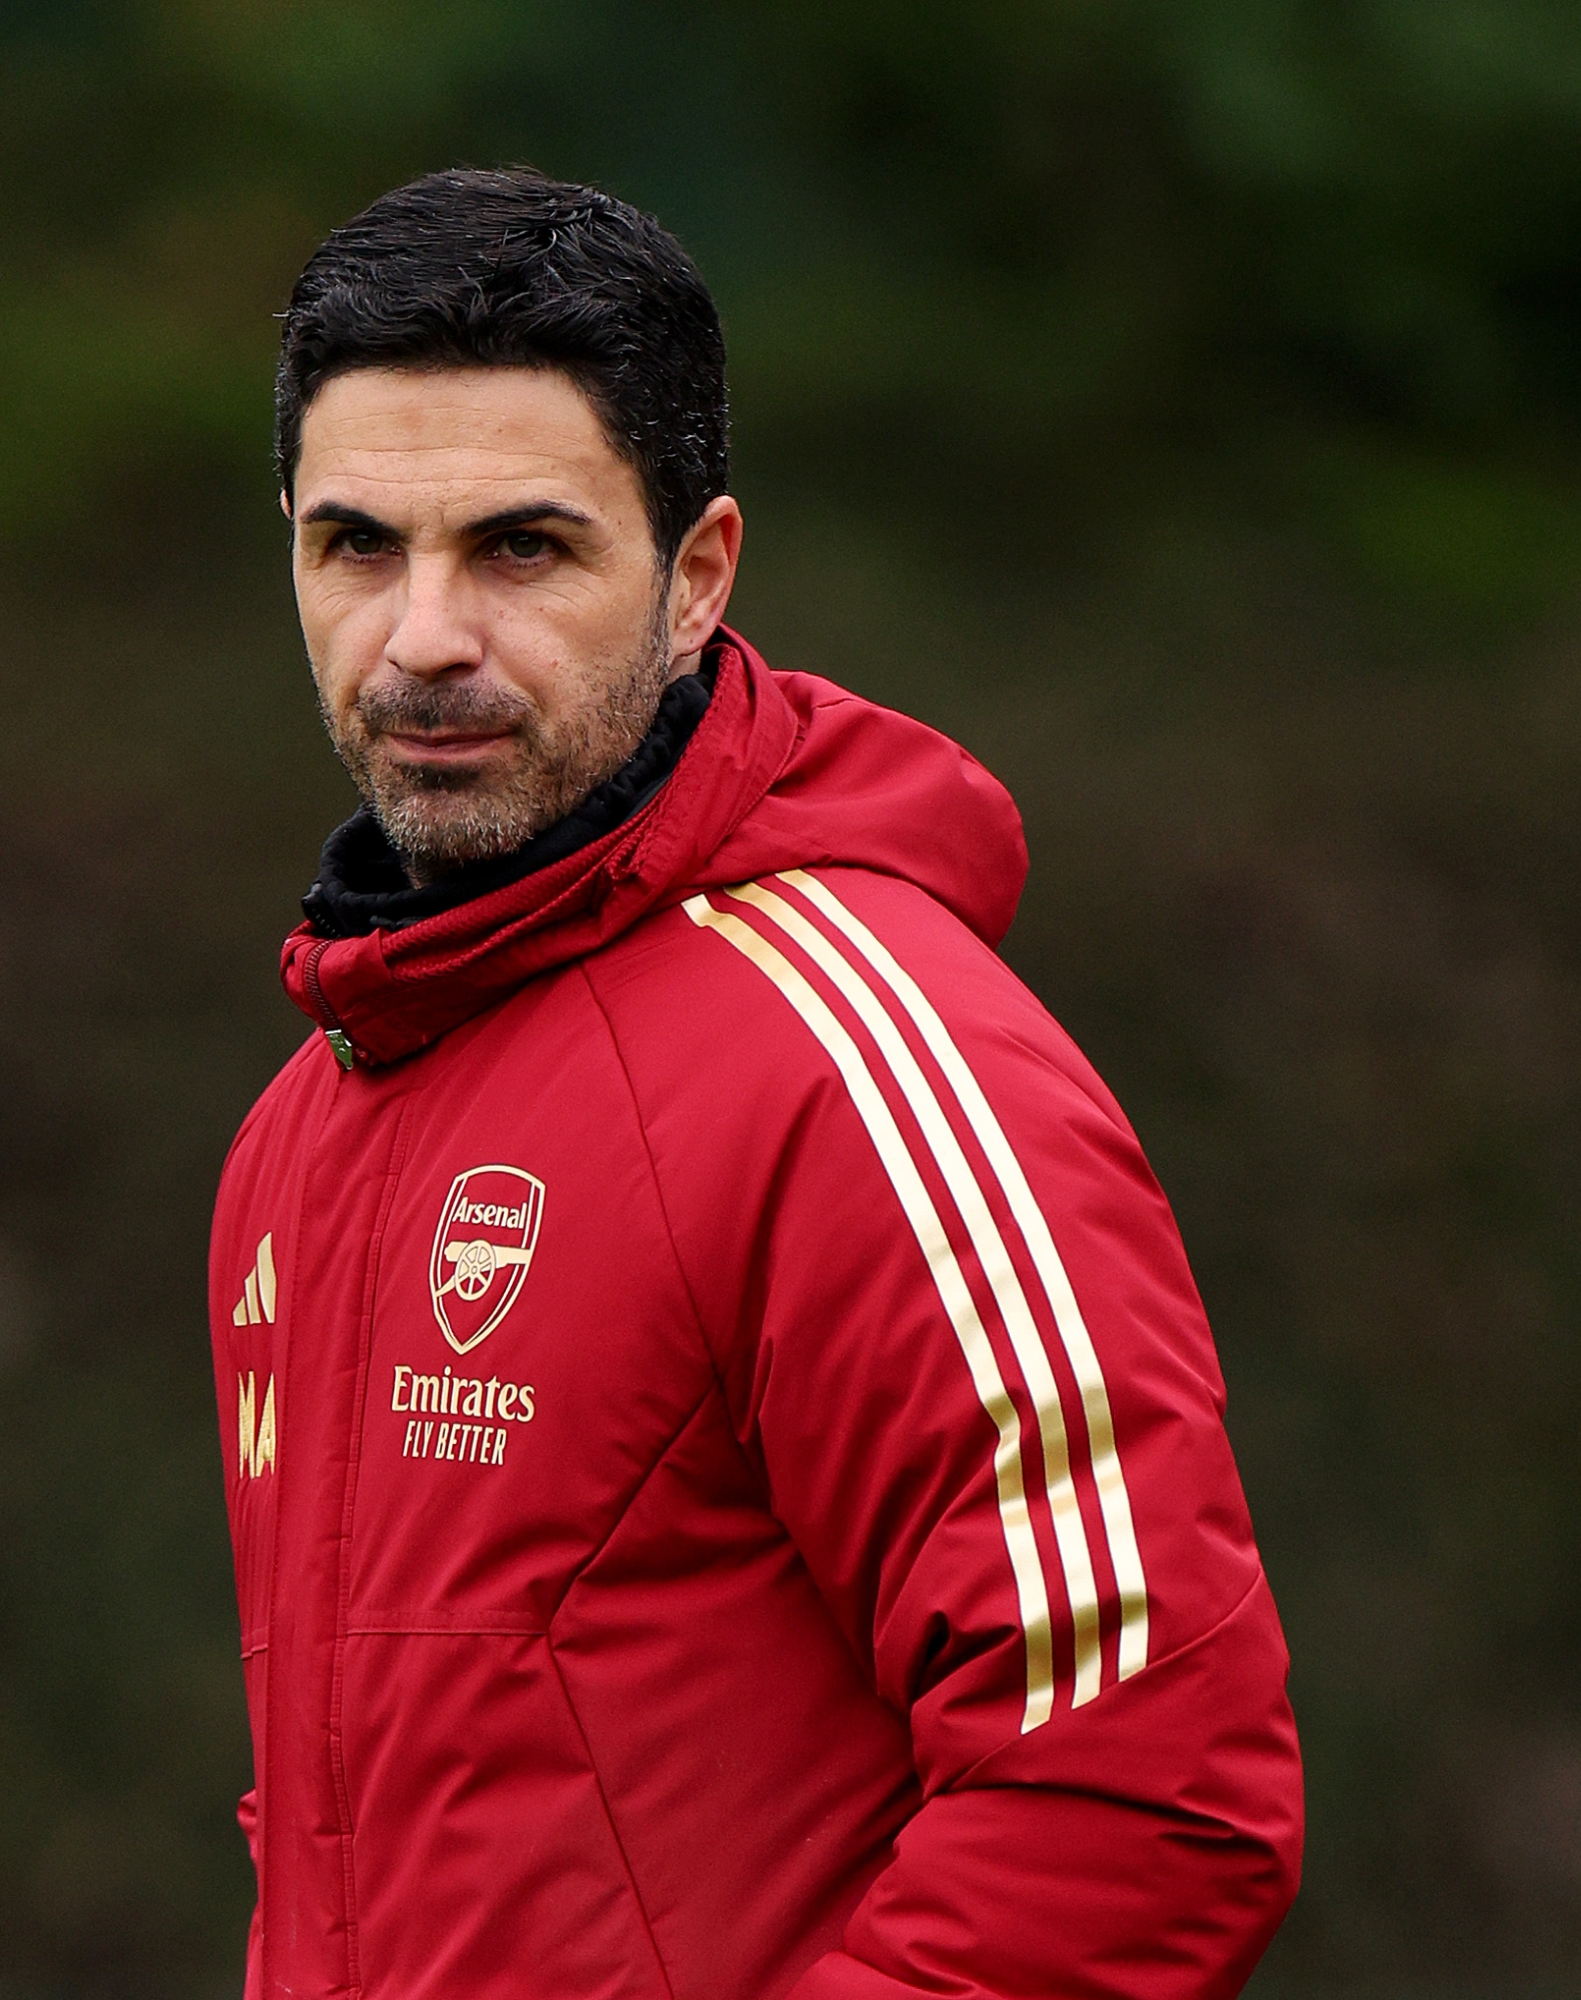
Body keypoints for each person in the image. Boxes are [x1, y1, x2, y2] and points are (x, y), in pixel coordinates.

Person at [208, 167, 1302, 2000]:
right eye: (358, 546)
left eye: (523, 548)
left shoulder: (866, 1064)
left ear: (699, 574)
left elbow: (1147, 1797)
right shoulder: (299, 1134)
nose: (423, 638)